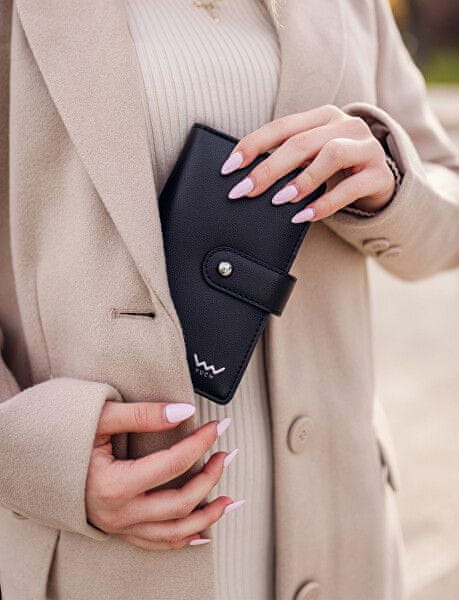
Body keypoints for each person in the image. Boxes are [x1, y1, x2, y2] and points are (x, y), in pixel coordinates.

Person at [0, 0, 458, 599]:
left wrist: (392, 182)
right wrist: (34, 454)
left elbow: (445, 200)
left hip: (343, 535)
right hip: (98, 560)